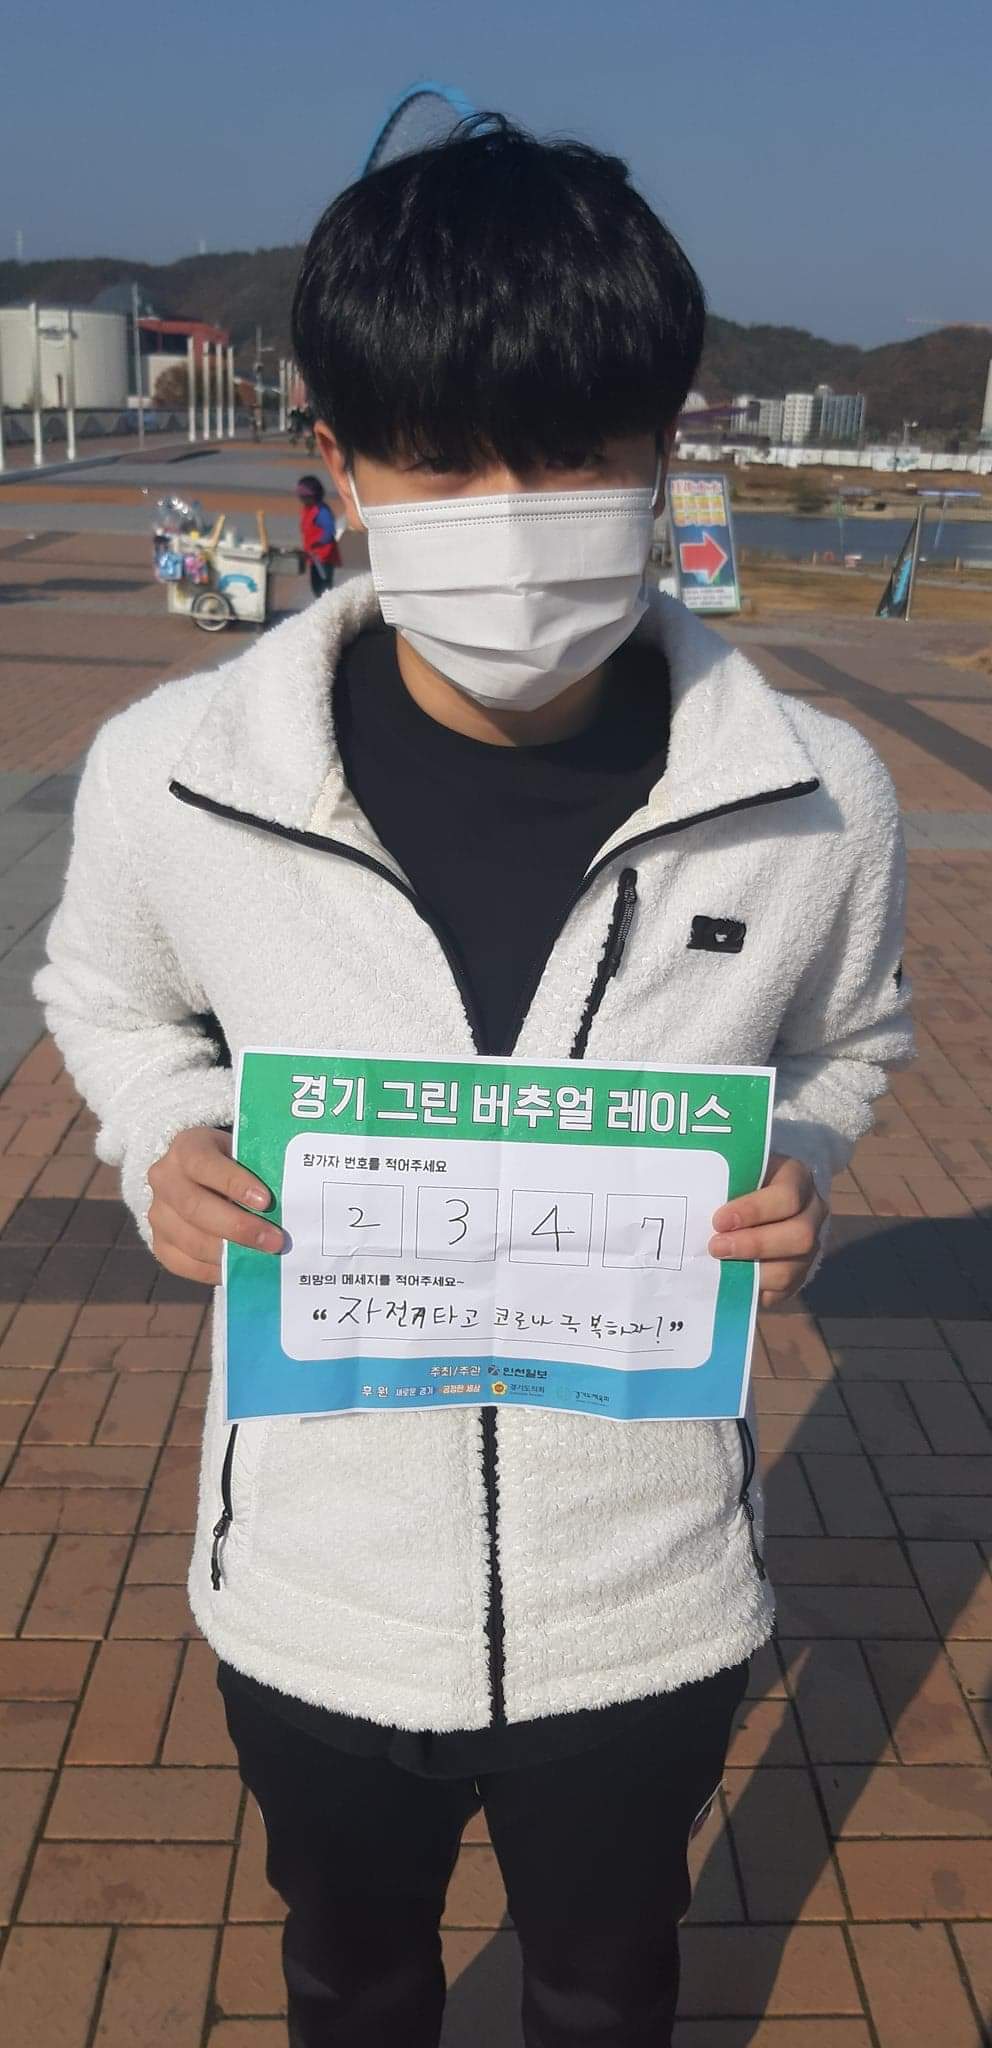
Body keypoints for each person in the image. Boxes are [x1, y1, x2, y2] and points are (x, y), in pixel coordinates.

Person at [36, 118, 912, 2048]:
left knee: (604, 1987)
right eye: (440, 453)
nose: (512, 514)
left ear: (663, 447)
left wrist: (800, 1158)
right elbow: (107, 996)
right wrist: (161, 1136)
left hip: (646, 1596)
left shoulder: (812, 797)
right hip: (313, 1590)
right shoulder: (176, 773)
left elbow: (848, 1039)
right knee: (349, 1978)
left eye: (573, 449)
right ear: (336, 461)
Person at [297, 472, 339, 595]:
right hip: (314, 557)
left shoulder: (321, 511)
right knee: (316, 587)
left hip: (323, 557)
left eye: (303, 497)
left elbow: (330, 530)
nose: (301, 500)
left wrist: (318, 543)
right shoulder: (308, 510)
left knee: (323, 587)